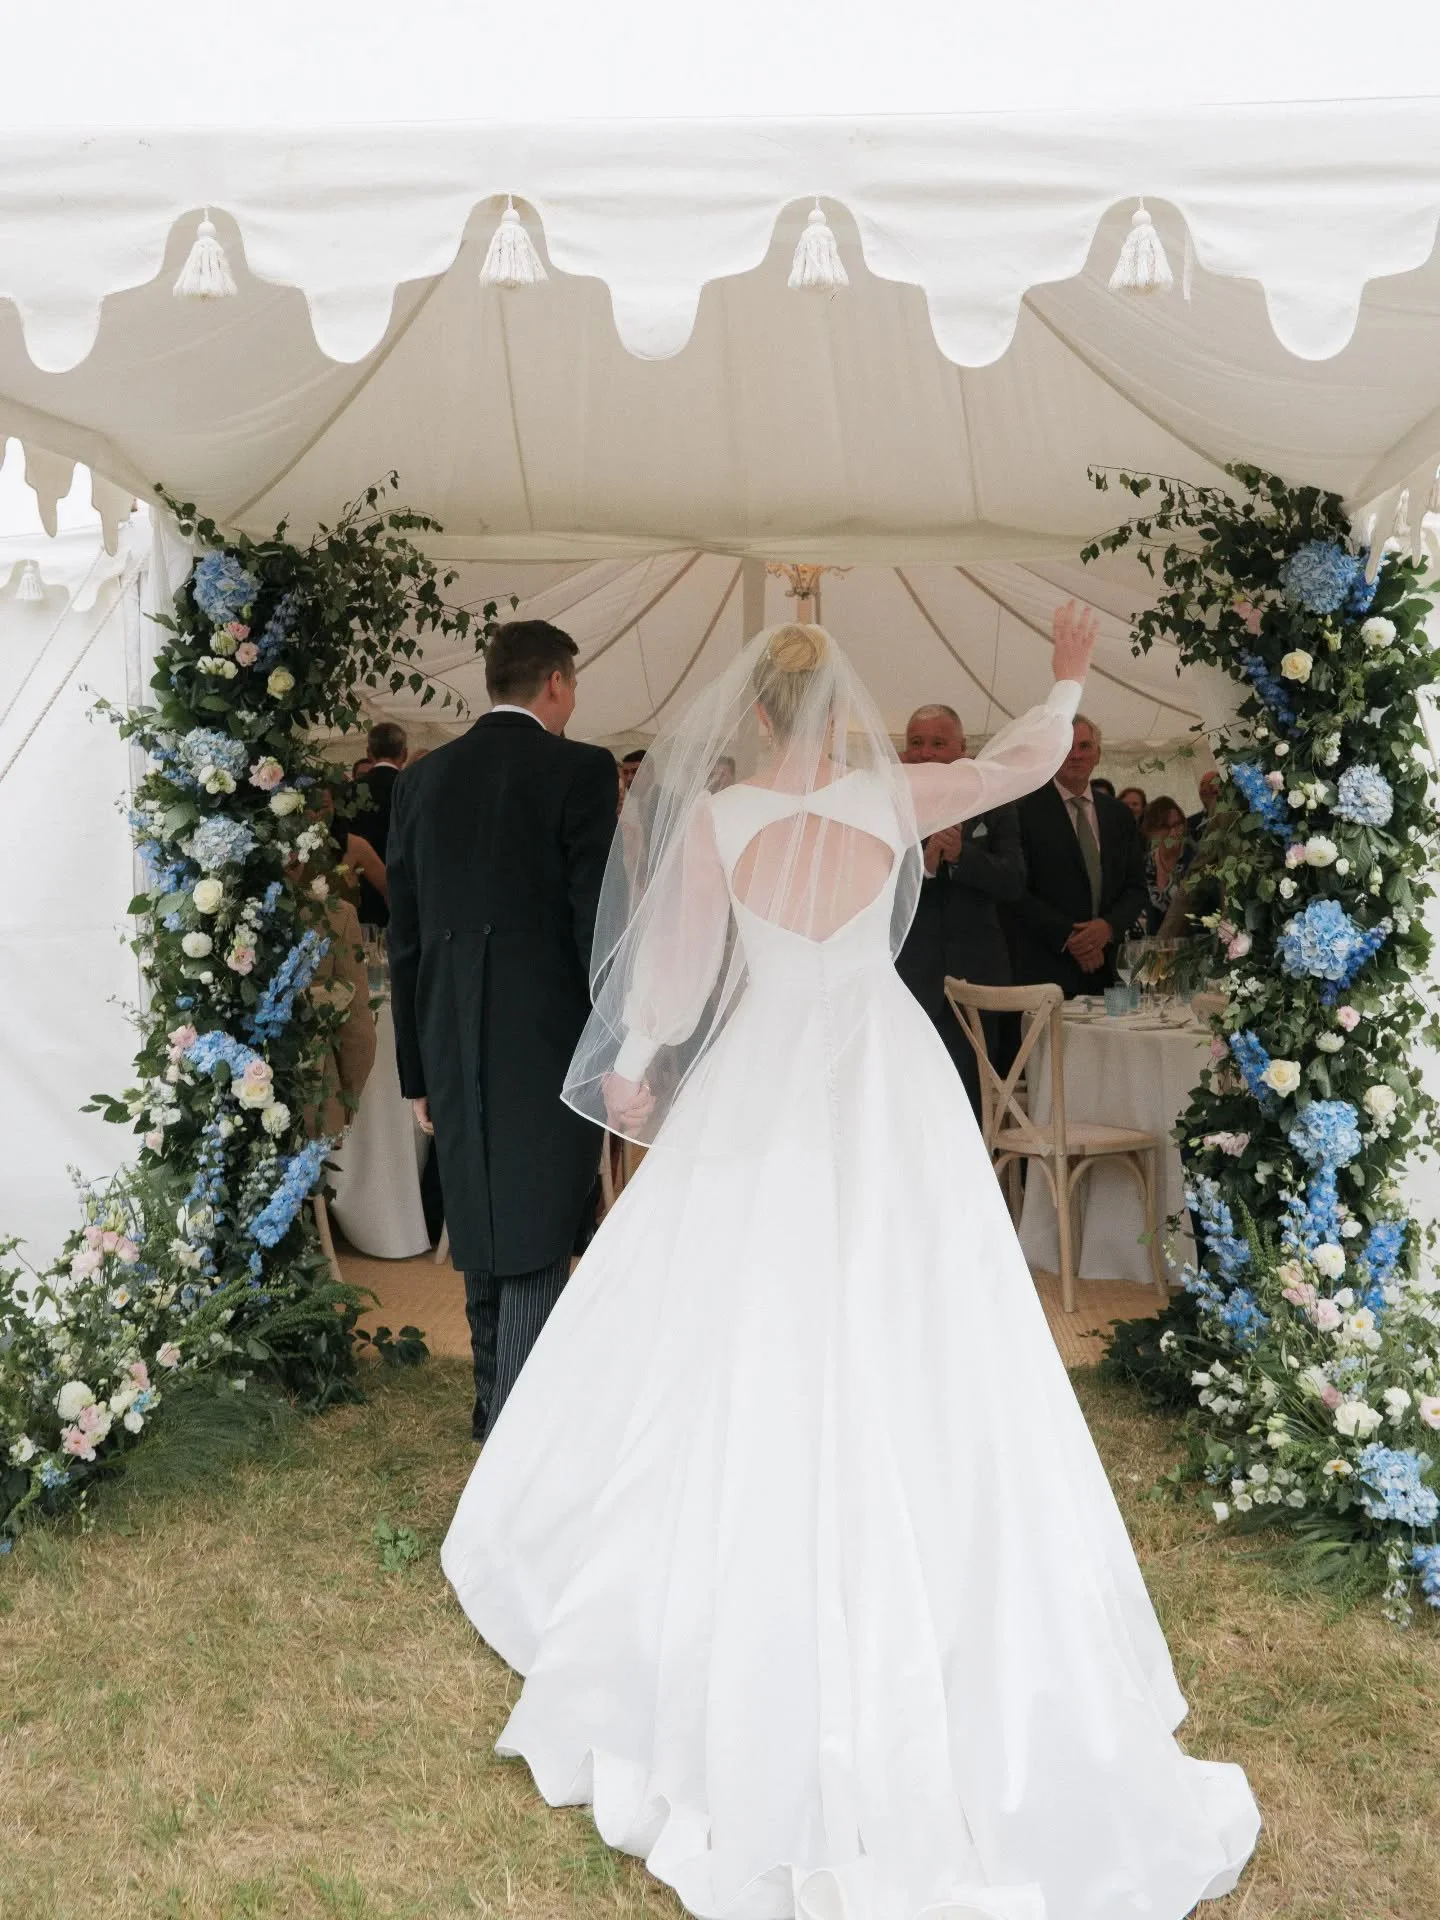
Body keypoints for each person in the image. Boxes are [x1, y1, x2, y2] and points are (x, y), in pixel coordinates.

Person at [440, 609, 1258, 1920]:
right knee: (923, 1296)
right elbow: (1024, 761)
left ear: (756, 714)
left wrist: (639, 1066)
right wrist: (1063, 681)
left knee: (735, 1308)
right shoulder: (897, 797)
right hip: (885, 1070)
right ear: (843, 712)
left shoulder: (721, 820)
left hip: (765, 1069)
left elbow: (673, 978)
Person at [387, 621, 618, 1441]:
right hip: (547, 1032)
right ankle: (521, 1426)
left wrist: (416, 1071)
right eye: (574, 685)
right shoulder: (581, 770)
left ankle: (494, 1405)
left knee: (483, 1218)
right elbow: (597, 919)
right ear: (555, 683)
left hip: (449, 1030)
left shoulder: (422, 779)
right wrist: (615, 1039)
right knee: (540, 1219)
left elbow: (404, 937)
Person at [894, 702, 1024, 1115]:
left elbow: (1014, 880)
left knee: (975, 1101)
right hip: (911, 978)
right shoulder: (890, 805)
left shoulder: (992, 800)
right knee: (914, 1101)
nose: (926, 753)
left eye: (938, 743)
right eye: (917, 743)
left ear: (962, 749)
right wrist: (926, 867)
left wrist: (962, 856)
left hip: (978, 977)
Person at [1007, 713, 1148, 996]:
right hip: (1046, 968)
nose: (1076, 755)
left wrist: (1107, 928)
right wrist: (1070, 937)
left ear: (1098, 754)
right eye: (1066, 747)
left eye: (1084, 746)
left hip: (1110, 969)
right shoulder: (1022, 811)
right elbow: (1015, 890)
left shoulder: (1118, 814)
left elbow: (1136, 887)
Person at [348, 722, 408, 927]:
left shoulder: (350, 792)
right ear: (404, 754)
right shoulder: (413, 789)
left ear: (369, 753)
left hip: (361, 893)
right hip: (405, 891)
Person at [1140, 793, 1191, 935]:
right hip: (1155, 941)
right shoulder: (1146, 863)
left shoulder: (1194, 857)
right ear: (1151, 831)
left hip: (1192, 940)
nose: (1174, 833)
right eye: (1166, 828)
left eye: (1178, 824)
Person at [1187, 768, 1222, 843]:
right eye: (1202, 784)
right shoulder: (1189, 823)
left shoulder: (1231, 817)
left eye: (1210, 784)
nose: (1204, 788)